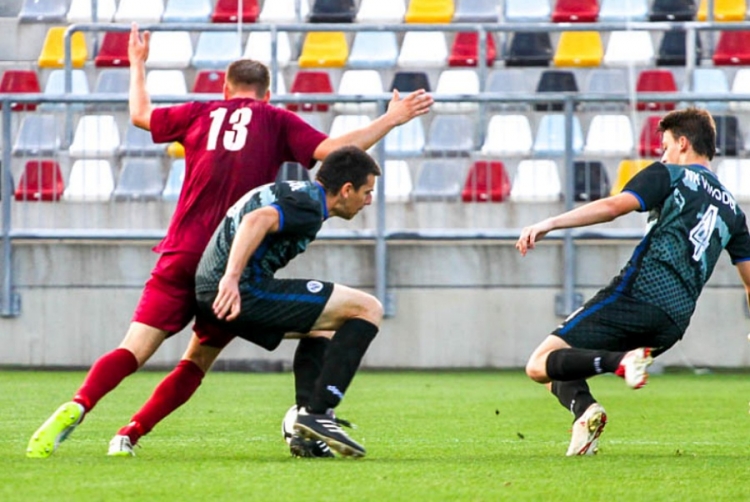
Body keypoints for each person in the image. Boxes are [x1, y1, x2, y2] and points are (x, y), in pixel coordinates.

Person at [26, 24, 432, 459]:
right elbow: (333, 152)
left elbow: (141, 116)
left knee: (133, 349)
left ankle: (78, 404)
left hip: (179, 252)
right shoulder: (276, 121)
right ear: (268, 94)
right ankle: (130, 433)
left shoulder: (200, 113)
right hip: (226, 259)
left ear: (225, 89)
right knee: (195, 362)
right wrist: (392, 118)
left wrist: (138, 64)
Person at [108, 146, 381, 458]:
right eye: (367, 192)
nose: (369, 201)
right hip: (243, 290)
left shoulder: (296, 192)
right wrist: (232, 278)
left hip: (212, 290)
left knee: (316, 329)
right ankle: (318, 413)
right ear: (347, 190)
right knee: (367, 308)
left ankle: (129, 433)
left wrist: (224, 279)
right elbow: (256, 220)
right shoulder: (308, 205)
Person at [515, 107, 750, 456]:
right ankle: (585, 412)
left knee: (538, 364)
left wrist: (548, 223)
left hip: (638, 296)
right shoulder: (733, 210)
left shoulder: (670, 175)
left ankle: (620, 362)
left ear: (683, 143)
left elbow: (613, 207)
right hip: (673, 322)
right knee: (566, 361)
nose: (663, 153)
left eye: (666, 145)